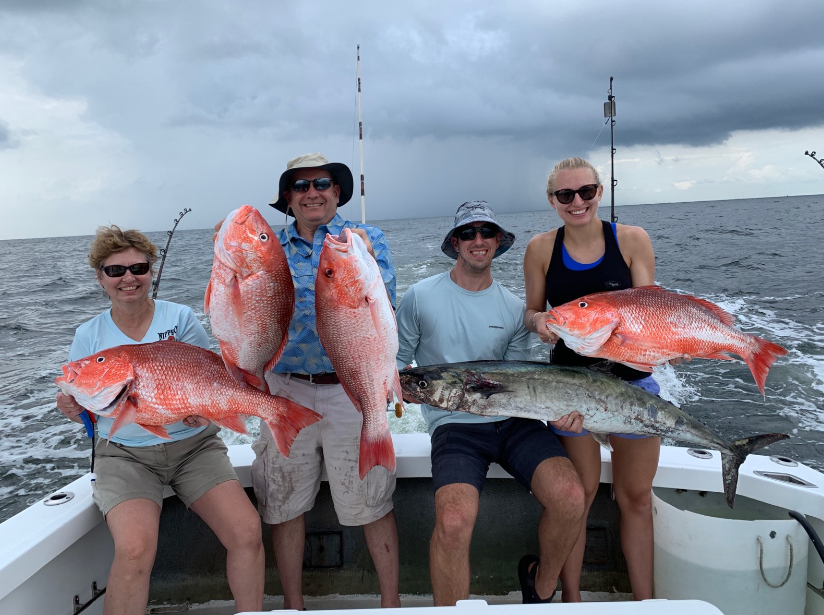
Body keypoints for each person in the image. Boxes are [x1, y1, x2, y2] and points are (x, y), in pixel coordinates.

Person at [55, 226, 264, 615]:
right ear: (100, 278)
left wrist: (204, 409)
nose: (128, 278)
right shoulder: (89, 335)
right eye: (115, 271)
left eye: (138, 267)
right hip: (125, 456)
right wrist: (70, 406)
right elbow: (85, 397)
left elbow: (208, 376)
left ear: (151, 270)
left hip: (194, 447)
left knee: (247, 532)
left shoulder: (180, 317)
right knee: (134, 551)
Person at [395, 201, 586, 606]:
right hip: (455, 425)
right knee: (452, 519)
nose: (478, 240)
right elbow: (395, 365)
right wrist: (397, 392)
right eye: (468, 233)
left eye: (486, 233)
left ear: (498, 242)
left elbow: (524, 381)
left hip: (515, 422)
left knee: (571, 497)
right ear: (455, 242)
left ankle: (541, 585)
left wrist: (561, 415)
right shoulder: (419, 297)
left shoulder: (516, 309)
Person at [249, 153, 400, 610]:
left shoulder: (365, 240)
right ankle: (294, 606)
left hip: (350, 386)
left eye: (322, 183)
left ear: (337, 193)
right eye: (300, 186)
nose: (312, 191)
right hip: (285, 387)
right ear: (288, 199)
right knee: (283, 500)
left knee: (371, 500)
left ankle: (391, 605)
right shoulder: (267, 248)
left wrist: (368, 263)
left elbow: (385, 302)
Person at [523, 157, 661, 602]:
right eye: (566, 195)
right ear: (552, 201)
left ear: (600, 191)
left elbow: (649, 312)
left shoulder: (633, 240)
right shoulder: (541, 248)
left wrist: (670, 345)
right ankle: (573, 602)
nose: (577, 202)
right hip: (571, 389)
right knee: (577, 498)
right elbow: (531, 312)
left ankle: (646, 603)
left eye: (586, 191)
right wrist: (540, 323)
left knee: (636, 498)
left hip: (633, 385)